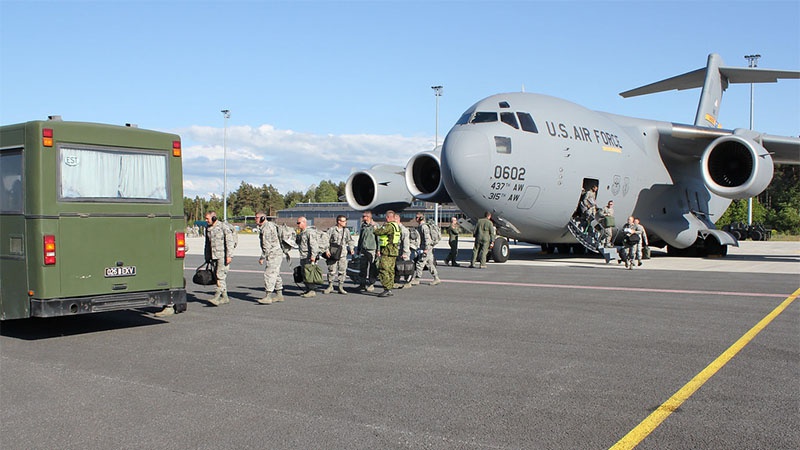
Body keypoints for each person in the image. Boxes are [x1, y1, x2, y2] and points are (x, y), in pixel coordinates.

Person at [204, 211, 235, 306]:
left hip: (222, 256)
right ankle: (225, 297)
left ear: (213, 218)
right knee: (218, 277)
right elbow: (207, 244)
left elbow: (229, 242)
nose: (206, 220)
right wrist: (207, 257)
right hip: (213, 256)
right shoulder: (208, 228)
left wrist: (229, 256)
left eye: (207, 218)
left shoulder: (223, 227)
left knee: (220, 275)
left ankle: (217, 296)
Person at [256, 212, 285, 304]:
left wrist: (262, 257)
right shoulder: (270, 225)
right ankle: (279, 295)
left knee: (269, 274)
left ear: (263, 218)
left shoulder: (267, 228)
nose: (255, 219)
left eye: (257, 217)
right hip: (276, 253)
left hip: (273, 254)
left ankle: (268, 296)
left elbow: (266, 245)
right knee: (275, 273)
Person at [323, 215, 355, 295]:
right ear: (339, 222)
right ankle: (330, 286)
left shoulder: (346, 231)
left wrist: (351, 248)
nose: (345, 223)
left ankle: (341, 287)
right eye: (344, 221)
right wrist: (326, 250)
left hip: (343, 254)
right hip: (333, 253)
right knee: (332, 271)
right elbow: (325, 240)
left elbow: (350, 240)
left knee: (342, 271)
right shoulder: (332, 230)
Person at [373, 210, 401, 297]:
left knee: (383, 269)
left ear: (388, 217)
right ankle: (390, 288)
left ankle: (386, 288)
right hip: (394, 251)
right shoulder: (396, 226)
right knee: (390, 270)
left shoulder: (388, 226)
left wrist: (375, 229)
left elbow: (379, 232)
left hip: (387, 251)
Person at [409, 213, 440, 286]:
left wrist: (426, 249)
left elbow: (427, 239)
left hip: (426, 248)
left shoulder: (424, 227)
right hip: (426, 247)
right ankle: (436, 278)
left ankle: (417, 279)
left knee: (420, 263)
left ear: (420, 218)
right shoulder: (421, 226)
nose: (415, 218)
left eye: (417, 217)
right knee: (429, 263)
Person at [296, 216, 319, 297]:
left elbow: (314, 245)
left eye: (299, 223)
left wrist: (313, 256)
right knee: (304, 274)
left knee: (310, 274)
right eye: (297, 223)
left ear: (304, 223)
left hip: (309, 257)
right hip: (303, 256)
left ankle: (312, 290)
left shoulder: (310, 232)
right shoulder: (301, 232)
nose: (297, 224)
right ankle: (308, 289)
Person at [356, 211, 378, 292]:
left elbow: (378, 239)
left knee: (372, 267)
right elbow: (360, 238)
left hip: (372, 249)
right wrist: (358, 249)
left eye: (364, 216)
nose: (362, 218)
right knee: (363, 268)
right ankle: (362, 284)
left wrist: (378, 250)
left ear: (368, 217)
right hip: (363, 249)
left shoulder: (375, 226)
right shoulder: (363, 226)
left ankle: (371, 284)